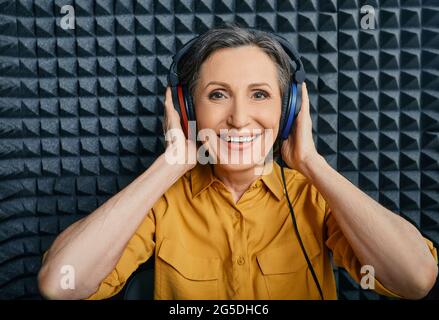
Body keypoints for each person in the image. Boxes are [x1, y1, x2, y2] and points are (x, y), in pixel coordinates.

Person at [38, 25, 438, 300]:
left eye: (260, 95)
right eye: (217, 95)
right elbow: (60, 284)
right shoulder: (162, 202)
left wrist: (312, 163)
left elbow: (415, 280)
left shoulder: (313, 199)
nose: (240, 118)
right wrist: (170, 164)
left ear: (290, 110)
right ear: (186, 109)